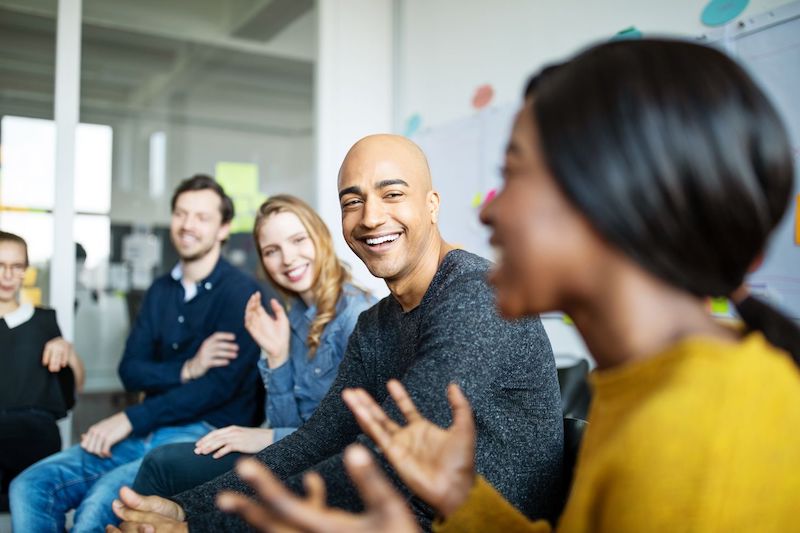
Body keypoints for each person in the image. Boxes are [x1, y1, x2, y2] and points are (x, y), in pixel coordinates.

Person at [192, 39, 800, 532]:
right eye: (354, 201)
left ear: (611, 201)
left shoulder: (702, 437)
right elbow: (327, 433)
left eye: (514, 175)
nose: (487, 213)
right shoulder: (641, 387)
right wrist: (467, 504)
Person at [108, 134, 564, 532]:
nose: (369, 217)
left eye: (392, 194)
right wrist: (188, 511)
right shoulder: (377, 323)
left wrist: (203, 524)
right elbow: (318, 438)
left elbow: (387, 460)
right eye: (352, 201)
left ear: (431, 205)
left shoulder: (474, 295)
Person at [11, 175, 265, 532]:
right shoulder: (160, 290)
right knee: (30, 486)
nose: (188, 225)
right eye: (181, 214)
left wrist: (131, 418)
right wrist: (187, 369)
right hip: (147, 428)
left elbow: (216, 389)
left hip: (200, 435)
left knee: (101, 503)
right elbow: (131, 370)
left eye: (202, 217)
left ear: (223, 229)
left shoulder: (241, 294)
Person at [132, 195, 376, 497]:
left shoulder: (357, 316)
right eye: (272, 251)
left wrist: (265, 436)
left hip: (333, 470)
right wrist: (277, 356)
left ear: (321, 238)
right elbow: (290, 424)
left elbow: (353, 434)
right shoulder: (295, 316)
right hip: (297, 457)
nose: (287, 259)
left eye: (298, 240)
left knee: (161, 465)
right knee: (165, 465)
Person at [0, 231, 85, 510]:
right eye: (0, 265)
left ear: (25, 270)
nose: (8, 275)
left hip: (34, 437)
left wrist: (68, 351)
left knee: (36, 508)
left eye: (16, 266)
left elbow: (75, 389)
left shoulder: (44, 320)